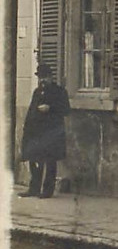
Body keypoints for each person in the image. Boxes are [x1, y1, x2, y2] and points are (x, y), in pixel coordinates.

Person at [19, 61, 71, 199]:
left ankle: (48, 190)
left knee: (50, 161)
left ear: (51, 77)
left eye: (45, 77)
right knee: (34, 159)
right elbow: (31, 111)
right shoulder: (37, 92)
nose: (42, 80)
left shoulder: (60, 92)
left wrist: (50, 108)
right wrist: (27, 129)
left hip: (52, 132)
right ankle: (34, 188)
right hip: (37, 132)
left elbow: (66, 110)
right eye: (40, 77)